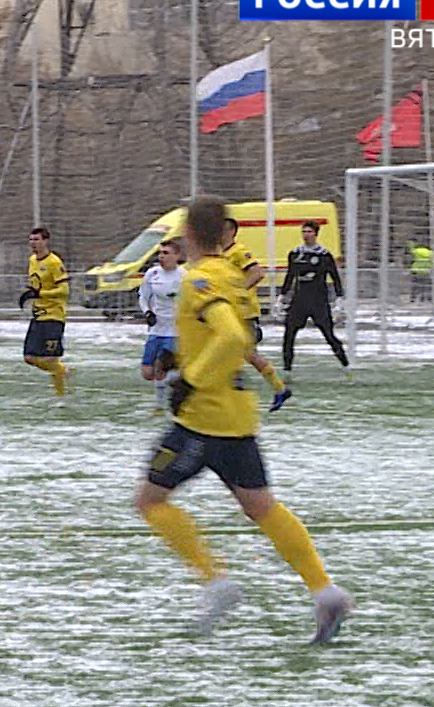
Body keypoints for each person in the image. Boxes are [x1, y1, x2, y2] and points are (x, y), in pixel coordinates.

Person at [133, 196, 355, 644]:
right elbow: (227, 334)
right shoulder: (231, 277)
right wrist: (183, 356)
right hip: (236, 416)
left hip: (203, 419)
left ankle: (216, 584)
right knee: (261, 507)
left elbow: (232, 336)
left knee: (149, 500)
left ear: (190, 235)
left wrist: (190, 378)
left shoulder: (199, 280)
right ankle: (325, 591)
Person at [220, 217, 289, 411]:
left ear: (231, 231)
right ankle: (277, 389)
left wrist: (238, 291)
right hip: (229, 312)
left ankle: (239, 391)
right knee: (239, 353)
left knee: (244, 354)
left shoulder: (239, 251)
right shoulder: (219, 254)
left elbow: (257, 273)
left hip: (244, 312)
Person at [281, 221, 350, 377]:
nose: (306, 234)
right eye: (304, 231)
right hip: (299, 301)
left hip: (318, 301)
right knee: (289, 333)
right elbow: (290, 276)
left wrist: (339, 298)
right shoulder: (295, 254)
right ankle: (287, 369)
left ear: (316, 234)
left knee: (328, 334)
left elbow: (335, 277)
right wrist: (282, 296)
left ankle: (345, 364)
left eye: (309, 231)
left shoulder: (324, 255)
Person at [19, 226, 71, 398]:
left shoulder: (54, 262)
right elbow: (35, 285)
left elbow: (64, 290)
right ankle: (62, 372)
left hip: (53, 316)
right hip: (38, 315)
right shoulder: (33, 260)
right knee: (29, 357)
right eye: (31, 239)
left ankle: (61, 396)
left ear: (46, 241)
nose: (33, 243)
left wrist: (41, 294)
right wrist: (28, 294)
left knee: (51, 359)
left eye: (37, 239)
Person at [138, 240, 183, 412]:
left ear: (176, 256)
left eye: (166, 253)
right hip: (156, 330)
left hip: (175, 331)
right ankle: (180, 379)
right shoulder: (152, 274)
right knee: (147, 373)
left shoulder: (184, 276)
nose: (161, 256)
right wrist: (147, 313)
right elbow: (143, 297)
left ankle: (160, 405)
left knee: (163, 367)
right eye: (160, 253)